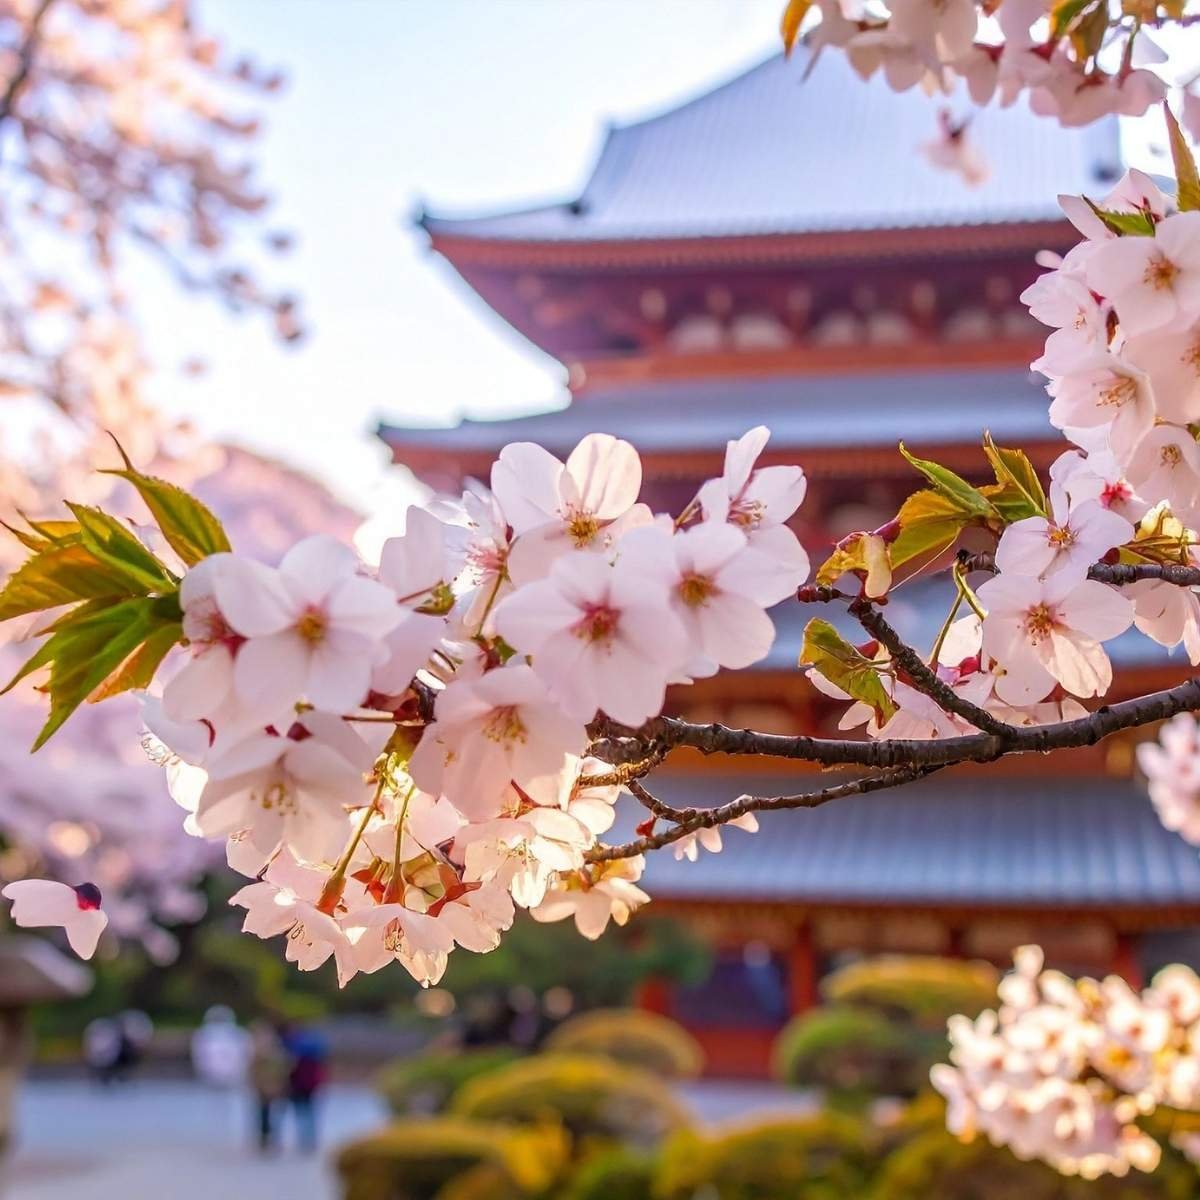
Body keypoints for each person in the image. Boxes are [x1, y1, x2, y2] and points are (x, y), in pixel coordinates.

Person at [282, 1023, 328, 1152]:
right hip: (311, 1086)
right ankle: (311, 1140)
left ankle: (303, 1139)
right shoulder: (315, 1056)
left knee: (301, 1113)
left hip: (298, 1087)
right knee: (310, 1113)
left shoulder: (295, 1054)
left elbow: (290, 1071)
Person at [248, 1020, 288, 1153]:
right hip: (263, 1089)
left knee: (273, 1115)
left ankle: (270, 1139)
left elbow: (282, 1070)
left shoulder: (274, 1052)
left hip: (272, 1087)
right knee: (264, 1115)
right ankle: (265, 1139)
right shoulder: (258, 1052)